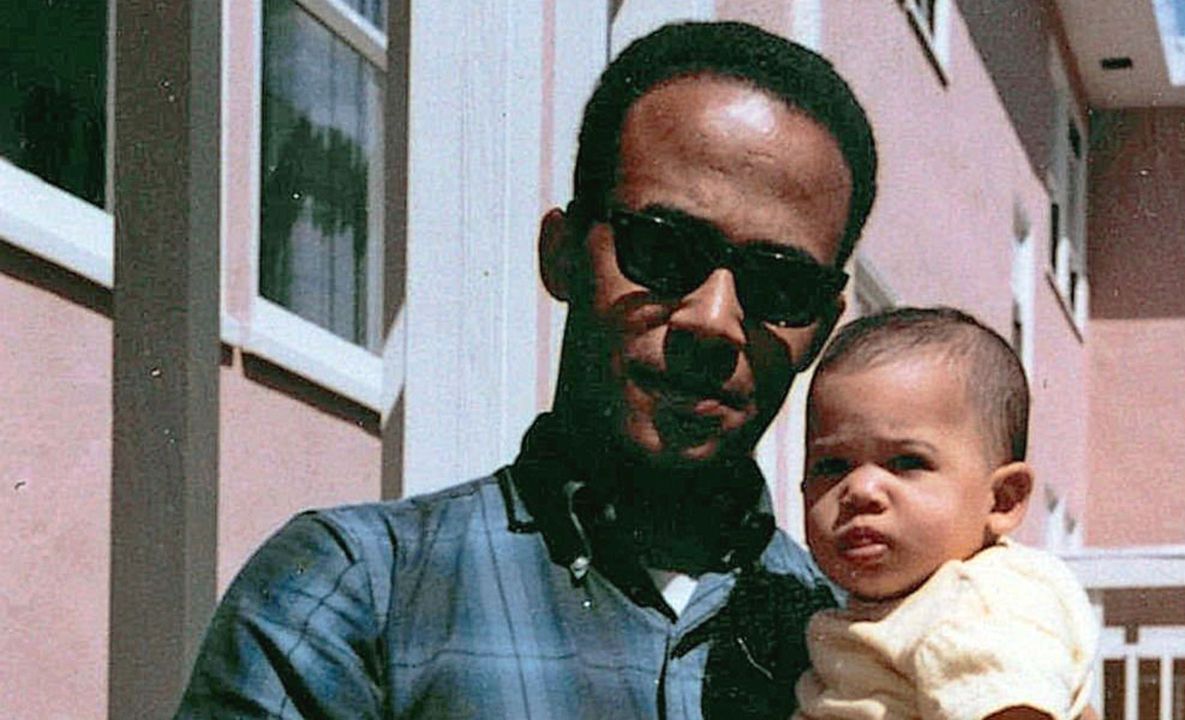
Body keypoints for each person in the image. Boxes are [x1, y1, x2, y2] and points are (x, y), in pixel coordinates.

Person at [175, 21, 878, 719]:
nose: (714, 318)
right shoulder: (355, 592)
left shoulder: (875, 647)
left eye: (780, 286)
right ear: (563, 253)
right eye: (663, 250)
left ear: (819, 328)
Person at [793, 307, 1098, 720]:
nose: (860, 491)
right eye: (832, 466)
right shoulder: (896, 606)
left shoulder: (985, 602)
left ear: (1002, 500)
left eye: (906, 462)